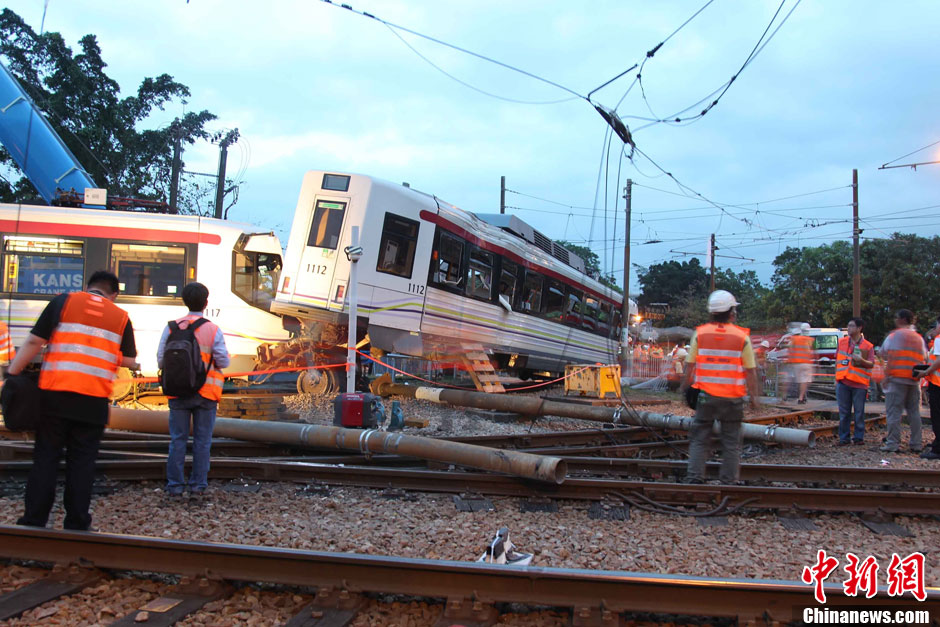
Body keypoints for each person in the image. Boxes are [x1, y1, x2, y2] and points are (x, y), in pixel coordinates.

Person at [8, 271, 137, 530]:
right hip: (94, 401)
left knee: (46, 457)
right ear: (113, 295)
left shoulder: (63, 301)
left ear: (87, 287)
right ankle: (77, 522)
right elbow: (130, 361)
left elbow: (35, 340)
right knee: (82, 463)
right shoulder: (121, 317)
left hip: (56, 396)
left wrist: (12, 372)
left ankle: (34, 520)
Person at [680, 290, 760, 484]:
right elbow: (750, 371)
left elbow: (689, 366)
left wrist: (684, 389)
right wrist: (755, 398)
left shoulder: (700, 334)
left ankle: (694, 479)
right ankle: (728, 482)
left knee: (700, 439)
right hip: (733, 398)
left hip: (706, 396)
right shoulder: (742, 337)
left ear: (712, 313)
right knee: (731, 443)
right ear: (732, 312)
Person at [157, 282, 229, 496]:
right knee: (202, 440)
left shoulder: (170, 327)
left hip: (177, 390)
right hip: (205, 394)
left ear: (184, 301)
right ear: (206, 303)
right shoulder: (212, 329)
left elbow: (161, 360)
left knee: (177, 439)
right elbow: (223, 361)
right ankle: (198, 485)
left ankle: (175, 486)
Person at [880, 309, 926, 453]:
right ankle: (916, 444)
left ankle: (893, 443)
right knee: (914, 412)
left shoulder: (895, 336)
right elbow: (924, 356)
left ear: (902, 320)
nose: (895, 320)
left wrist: (886, 376)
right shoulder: (919, 338)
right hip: (914, 379)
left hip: (897, 379)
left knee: (894, 412)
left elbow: (886, 354)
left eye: (896, 317)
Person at [835, 317, 874, 446]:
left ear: (859, 328)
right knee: (844, 413)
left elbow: (871, 364)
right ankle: (844, 438)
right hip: (843, 382)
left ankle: (858, 437)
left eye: (852, 326)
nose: (849, 328)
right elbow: (838, 361)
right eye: (848, 325)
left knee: (859, 413)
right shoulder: (842, 342)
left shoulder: (867, 346)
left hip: (859, 384)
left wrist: (862, 361)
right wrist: (836, 378)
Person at [914, 317, 940, 459]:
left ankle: (938, 449)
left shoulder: (939, 339)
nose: (935, 329)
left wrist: (926, 372)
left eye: (936, 325)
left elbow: (939, 360)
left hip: (937, 384)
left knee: (937, 418)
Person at [787, 323, 815, 404]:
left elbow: (790, 349)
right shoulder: (810, 339)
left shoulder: (794, 339)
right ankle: (801, 397)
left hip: (796, 363)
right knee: (805, 381)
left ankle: (802, 396)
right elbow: (814, 352)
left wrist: (790, 360)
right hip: (806, 363)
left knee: (800, 381)